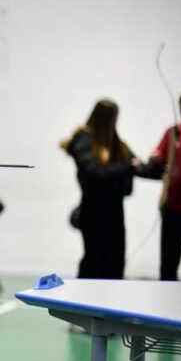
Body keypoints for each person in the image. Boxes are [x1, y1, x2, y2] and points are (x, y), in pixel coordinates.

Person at [60, 99, 142, 279]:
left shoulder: (117, 144)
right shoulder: (83, 141)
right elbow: (94, 172)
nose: (115, 123)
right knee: (94, 262)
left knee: (115, 263)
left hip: (115, 213)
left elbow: (137, 165)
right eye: (113, 119)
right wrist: (128, 167)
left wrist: (159, 166)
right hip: (93, 212)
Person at [147, 89, 181, 280]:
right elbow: (156, 155)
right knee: (168, 267)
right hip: (173, 211)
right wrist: (155, 157)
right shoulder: (173, 133)